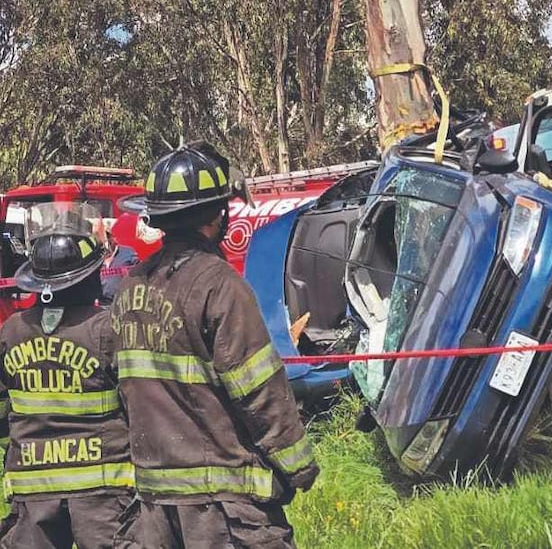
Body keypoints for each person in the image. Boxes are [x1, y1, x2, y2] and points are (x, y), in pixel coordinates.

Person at [110, 142, 318, 548]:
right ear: (215, 215)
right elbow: (258, 388)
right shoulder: (219, 284)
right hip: (221, 503)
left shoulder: (130, 287)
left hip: (154, 507)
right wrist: (299, 466)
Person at [0, 211, 133, 548]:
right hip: (102, 491)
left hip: (32, 487)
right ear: (89, 276)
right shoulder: (108, 329)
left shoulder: (12, 331)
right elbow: (140, 403)